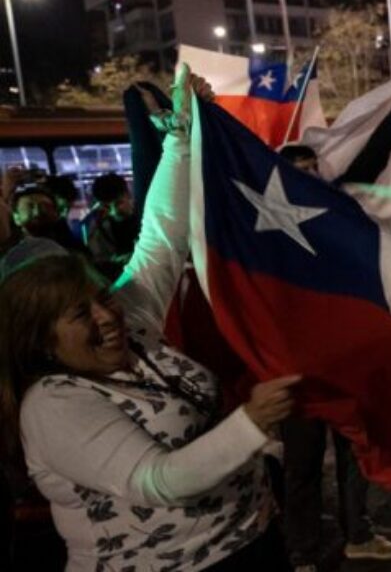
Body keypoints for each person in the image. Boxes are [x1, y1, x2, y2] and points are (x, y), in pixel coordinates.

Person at [0, 67, 299, 572]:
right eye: (81, 313)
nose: (108, 316)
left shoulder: (129, 322)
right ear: (40, 338)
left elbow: (162, 238)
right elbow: (159, 480)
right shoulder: (52, 404)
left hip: (254, 541)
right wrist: (251, 424)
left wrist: (180, 137)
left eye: (103, 297)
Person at [277, 143, 391, 571]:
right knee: (302, 465)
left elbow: (368, 164)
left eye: (313, 167)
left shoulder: (335, 215)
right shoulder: (268, 231)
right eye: (299, 170)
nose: (309, 175)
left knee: (355, 454)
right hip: (296, 372)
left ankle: (358, 535)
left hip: (345, 363)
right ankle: (303, 552)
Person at [81, 173, 141, 280]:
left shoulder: (146, 216)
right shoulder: (97, 229)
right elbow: (99, 260)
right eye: (106, 206)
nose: (114, 212)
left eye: (118, 203)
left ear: (128, 194)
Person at [8, 184, 86, 254]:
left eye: (45, 206)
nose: (37, 212)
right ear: (16, 216)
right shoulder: (9, 253)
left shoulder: (74, 249)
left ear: (56, 213)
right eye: (29, 207)